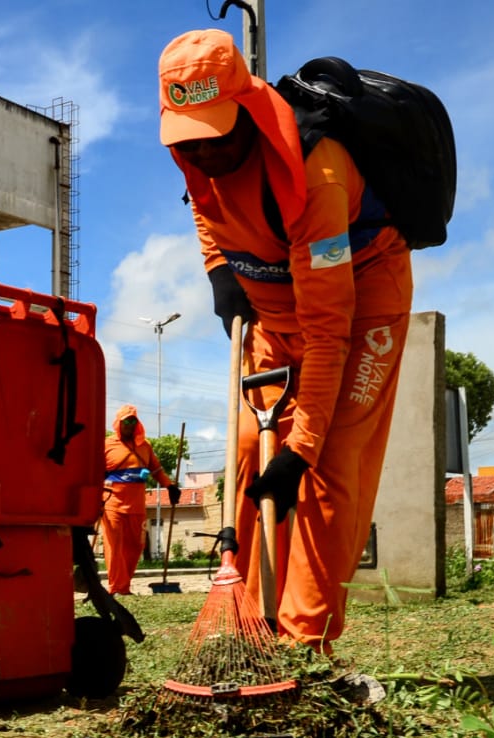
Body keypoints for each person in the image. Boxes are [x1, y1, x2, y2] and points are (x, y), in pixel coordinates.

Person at [159, 29, 413, 659]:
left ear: (247, 105)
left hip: (357, 304)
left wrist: (300, 447)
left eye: (216, 131)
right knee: (249, 449)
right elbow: (204, 206)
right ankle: (242, 623)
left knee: (326, 463)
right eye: (188, 134)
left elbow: (330, 331)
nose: (204, 150)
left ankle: (305, 642)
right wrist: (219, 270)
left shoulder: (316, 174)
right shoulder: (195, 152)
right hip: (272, 315)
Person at [100, 405, 179, 596]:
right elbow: (94, 471)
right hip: (112, 501)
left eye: (133, 421)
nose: (130, 425)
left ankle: (124, 585)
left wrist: (170, 486)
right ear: (119, 423)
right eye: (126, 421)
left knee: (136, 546)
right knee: (114, 546)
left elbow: (156, 469)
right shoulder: (106, 444)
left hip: (136, 504)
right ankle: (117, 588)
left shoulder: (145, 445)